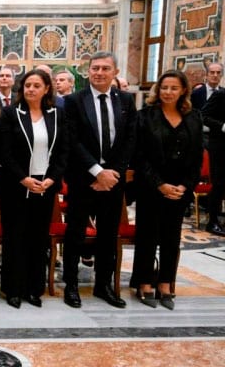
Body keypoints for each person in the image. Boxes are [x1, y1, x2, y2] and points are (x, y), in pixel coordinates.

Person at [62, 51, 137, 309]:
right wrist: (97, 171)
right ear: (88, 71)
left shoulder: (126, 100)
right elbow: (72, 140)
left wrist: (112, 173)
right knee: (75, 233)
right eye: (95, 68)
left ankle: (103, 285)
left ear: (114, 72)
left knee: (108, 234)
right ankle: (71, 285)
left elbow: (129, 139)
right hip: (83, 178)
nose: (99, 73)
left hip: (113, 180)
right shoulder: (73, 101)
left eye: (105, 68)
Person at [0, 69, 68, 309]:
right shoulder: (10, 113)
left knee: (38, 239)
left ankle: (34, 289)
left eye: (37, 85)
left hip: (45, 185)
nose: (31, 90)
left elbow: (63, 152)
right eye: (27, 85)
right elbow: (4, 152)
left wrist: (52, 179)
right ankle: (13, 289)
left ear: (47, 89)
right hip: (16, 184)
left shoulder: (57, 115)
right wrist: (23, 179)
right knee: (14, 237)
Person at [132, 70, 203, 310]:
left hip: (179, 188)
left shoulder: (194, 118)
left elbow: (196, 158)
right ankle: (144, 282)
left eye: (173, 88)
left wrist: (184, 186)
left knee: (171, 238)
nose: (168, 92)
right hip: (152, 186)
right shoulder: (145, 116)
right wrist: (160, 184)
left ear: (183, 90)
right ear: (157, 90)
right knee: (147, 236)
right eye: (164, 88)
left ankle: (165, 283)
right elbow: (139, 156)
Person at [203, 87, 225, 236]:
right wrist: (222, 126)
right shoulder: (220, 94)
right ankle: (212, 222)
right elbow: (203, 115)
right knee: (219, 184)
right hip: (220, 146)